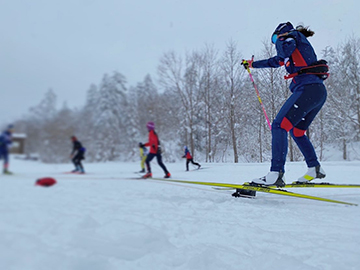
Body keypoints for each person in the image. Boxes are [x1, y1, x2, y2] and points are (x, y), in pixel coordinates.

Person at [242, 22, 327, 186]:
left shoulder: (291, 39)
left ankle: (276, 173)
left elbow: (284, 51)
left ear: (282, 34)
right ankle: (314, 168)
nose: (274, 42)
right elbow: (276, 60)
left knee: (278, 126)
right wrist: (252, 64)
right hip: (317, 91)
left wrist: (280, 39)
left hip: (307, 89)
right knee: (297, 131)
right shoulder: (293, 44)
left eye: (274, 38)